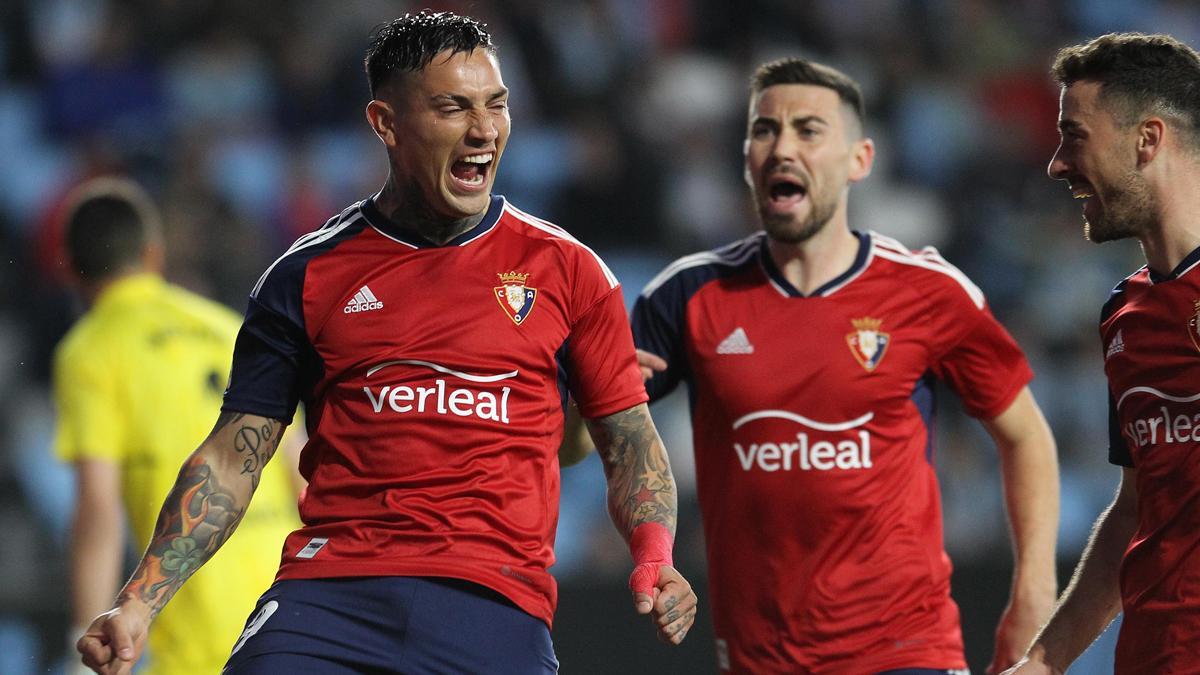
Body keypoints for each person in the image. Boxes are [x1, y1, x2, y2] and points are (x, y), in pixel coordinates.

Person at [75, 11, 696, 675]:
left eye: (496, 104)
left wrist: (656, 556)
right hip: (326, 600)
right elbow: (233, 458)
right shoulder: (304, 276)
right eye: (453, 108)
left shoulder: (569, 271)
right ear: (385, 123)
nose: (484, 129)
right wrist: (138, 601)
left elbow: (628, 438)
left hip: (493, 604)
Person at [627, 58, 1060, 673]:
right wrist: (592, 412)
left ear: (860, 159)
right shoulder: (685, 296)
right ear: (747, 156)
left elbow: (1026, 436)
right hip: (758, 657)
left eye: (808, 130)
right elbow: (596, 438)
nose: (782, 148)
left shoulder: (929, 292)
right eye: (764, 130)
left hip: (908, 651)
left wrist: (1034, 591)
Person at [1004, 32, 1200, 675]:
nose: (1057, 163)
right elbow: (1139, 508)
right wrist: (1040, 663)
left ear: (1147, 139)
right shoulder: (1126, 313)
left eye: (1076, 136)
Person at [53, 177, 303, 675]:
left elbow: (98, 507)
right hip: (289, 599)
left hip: (199, 615)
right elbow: (301, 466)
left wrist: (83, 637)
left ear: (70, 271)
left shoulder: (91, 350)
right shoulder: (225, 325)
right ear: (152, 254)